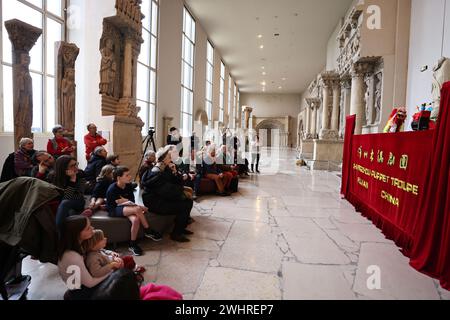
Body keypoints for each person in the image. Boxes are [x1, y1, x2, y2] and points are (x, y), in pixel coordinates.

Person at [141, 146, 194, 243]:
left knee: (188, 201)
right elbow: (167, 190)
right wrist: (181, 194)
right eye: (169, 158)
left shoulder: (165, 168)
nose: (171, 159)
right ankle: (176, 234)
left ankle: (181, 228)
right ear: (164, 159)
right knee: (184, 205)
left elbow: (176, 183)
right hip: (155, 202)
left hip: (162, 197)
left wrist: (175, 173)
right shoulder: (156, 172)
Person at [106, 166, 160, 256]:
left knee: (135, 220)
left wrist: (125, 201)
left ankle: (132, 244)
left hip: (126, 207)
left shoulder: (128, 186)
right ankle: (148, 230)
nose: (130, 177)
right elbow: (113, 205)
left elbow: (131, 201)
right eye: (127, 175)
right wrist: (138, 207)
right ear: (119, 178)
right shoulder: (112, 189)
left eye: (129, 175)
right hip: (114, 210)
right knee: (138, 209)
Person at [57, 216, 111, 300]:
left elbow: (97, 248)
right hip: (80, 292)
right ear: (77, 233)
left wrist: (110, 255)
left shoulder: (78, 244)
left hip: (80, 284)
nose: (92, 228)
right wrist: (112, 270)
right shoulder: (72, 257)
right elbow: (90, 283)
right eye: (88, 228)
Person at [53, 156, 91, 233]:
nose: (76, 167)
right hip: (64, 204)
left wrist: (72, 179)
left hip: (78, 201)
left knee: (65, 203)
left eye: (76, 164)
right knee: (70, 212)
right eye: (72, 166)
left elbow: (74, 196)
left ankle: (57, 234)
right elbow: (58, 196)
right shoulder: (54, 176)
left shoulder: (80, 174)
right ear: (64, 168)